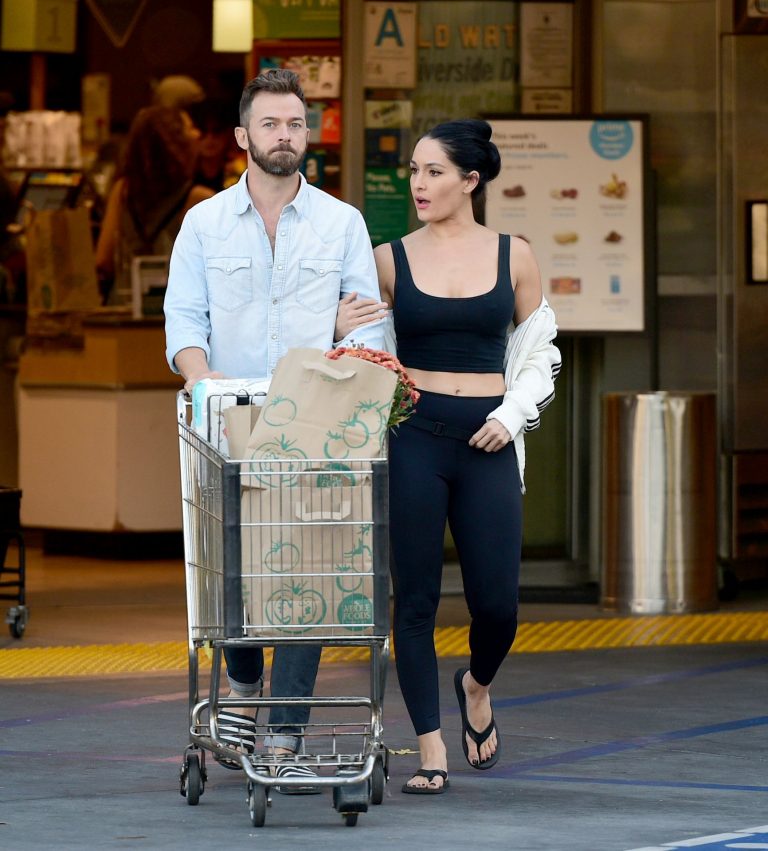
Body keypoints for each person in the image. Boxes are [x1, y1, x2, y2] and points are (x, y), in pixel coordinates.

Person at [163, 68, 387, 791]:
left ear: (309, 133)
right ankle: (244, 682)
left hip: (315, 421)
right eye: (271, 124)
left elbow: (367, 324)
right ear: (242, 136)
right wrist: (204, 387)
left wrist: (332, 340)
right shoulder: (202, 223)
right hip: (227, 421)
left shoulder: (342, 222)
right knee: (230, 569)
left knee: (307, 574)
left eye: (295, 124)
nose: (284, 135)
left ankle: (286, 728)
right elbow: (184, 323)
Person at [339, 119, 561, 794]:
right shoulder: (388, 257)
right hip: (415, 433)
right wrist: (342, 330)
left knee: (497, 604)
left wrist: (511, 414)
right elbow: (358, 354)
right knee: (416, 601)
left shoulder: (514, 255)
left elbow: (542, 353)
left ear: (472, 179)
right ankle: (431, 747)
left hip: (489, 435)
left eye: (433, 171)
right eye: (413, 171)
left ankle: (476, 682)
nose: (418, 184)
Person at [95, 105, 214, 304]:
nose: (197, 134)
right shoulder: (200, 200)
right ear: (174, 144)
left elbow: (103, 260)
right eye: (189, 128)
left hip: (125, 312)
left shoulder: (122, 191)